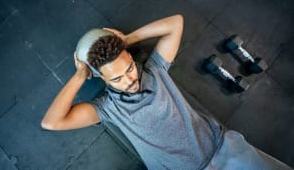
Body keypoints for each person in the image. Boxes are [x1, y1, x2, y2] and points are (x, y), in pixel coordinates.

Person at [41, 15, 293, 170]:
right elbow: (52, 123)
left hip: (225, 149)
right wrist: (80, 75)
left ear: (130, 57)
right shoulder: (107, 108)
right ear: (102, 79)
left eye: (128, 68)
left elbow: (176, 23)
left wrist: (127, 39)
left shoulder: (155, 70)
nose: (129, 79)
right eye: (116, 78)